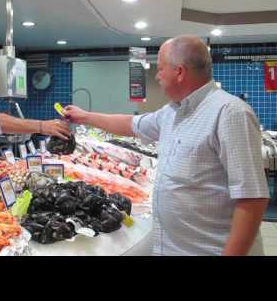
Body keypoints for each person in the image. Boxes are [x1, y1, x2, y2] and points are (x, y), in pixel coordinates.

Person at [64, 35, 269, 256]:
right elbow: (131, 124)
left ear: (179, 72)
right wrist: (84, 116)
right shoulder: (173, 111)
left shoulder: (230, 113)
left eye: (160, 69)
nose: (157, 76)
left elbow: (252, 198)